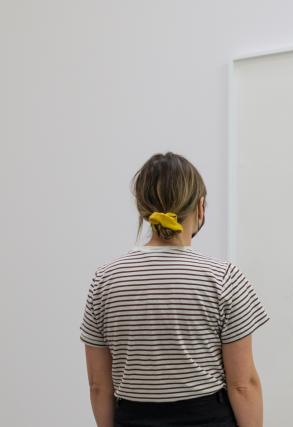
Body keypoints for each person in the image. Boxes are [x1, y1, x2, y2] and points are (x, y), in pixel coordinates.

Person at [80, 152, 270, 427]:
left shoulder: (106, 280)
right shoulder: (223, 277)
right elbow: (242, 385)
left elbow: (99, 386)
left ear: (143, 209)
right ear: (201, 207)